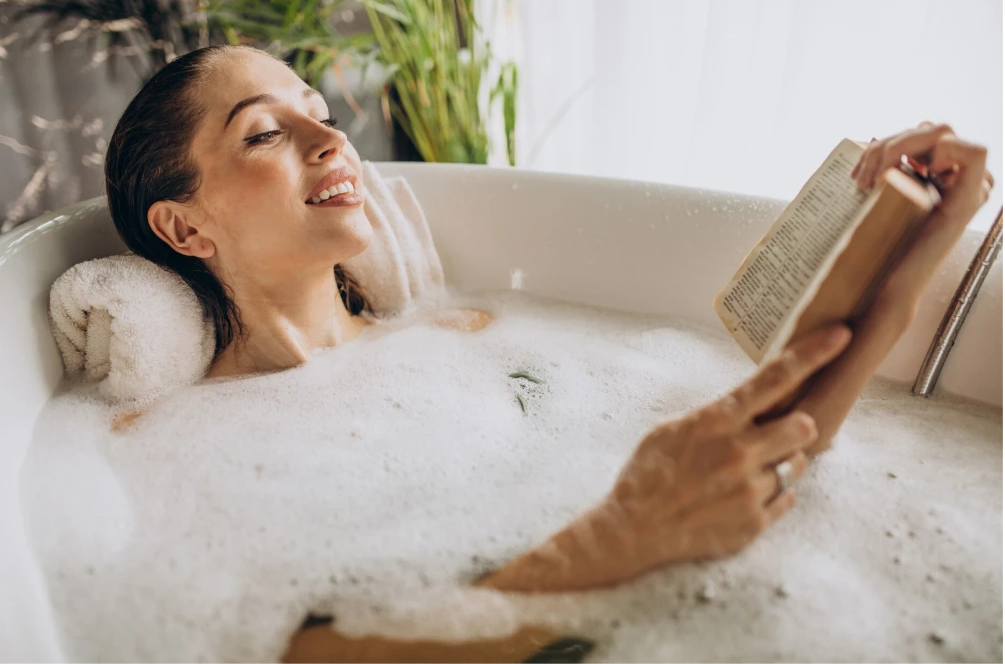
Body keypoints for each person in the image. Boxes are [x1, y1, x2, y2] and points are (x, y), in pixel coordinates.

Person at [104, 45, 993, 662]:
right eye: (264, 133)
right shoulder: (161, 445)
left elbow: (756, 461)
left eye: (321, 116)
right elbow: (269, 652)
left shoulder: (468, 336)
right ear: (184, 225)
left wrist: (913, 240)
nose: (332, 141)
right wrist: (609, 544)